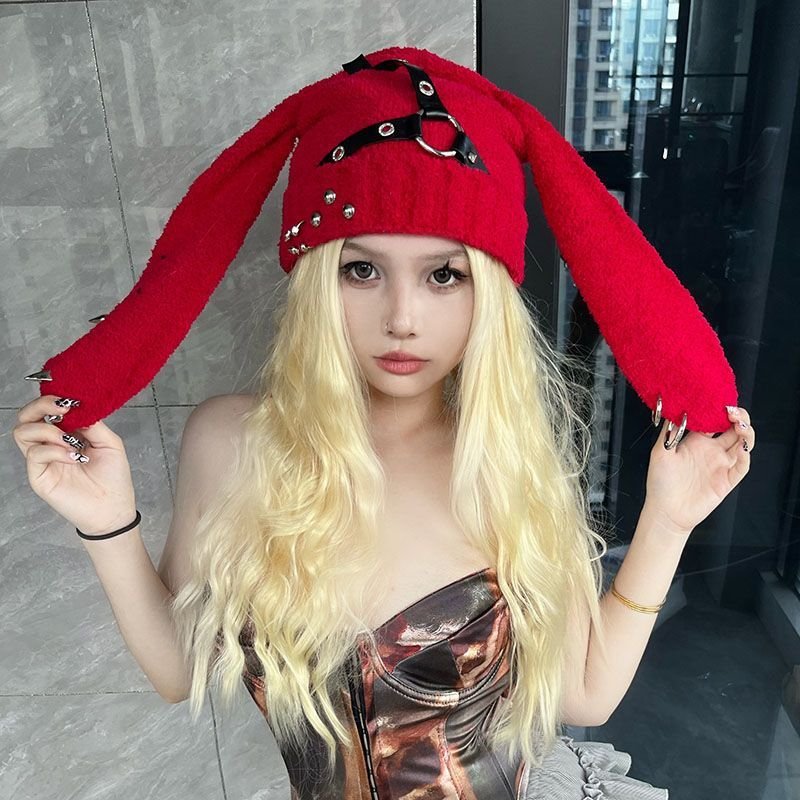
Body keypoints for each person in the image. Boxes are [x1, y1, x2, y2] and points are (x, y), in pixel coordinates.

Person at [12, 46, 754, 799]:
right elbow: (178, 671)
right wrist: (106, 523)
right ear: (315, 280)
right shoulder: (231, 444)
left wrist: (669, 521)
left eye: (444, 275)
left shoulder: (504, 459)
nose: (402, 317)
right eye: (361, 270)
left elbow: (585, 694)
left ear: (487, 293)